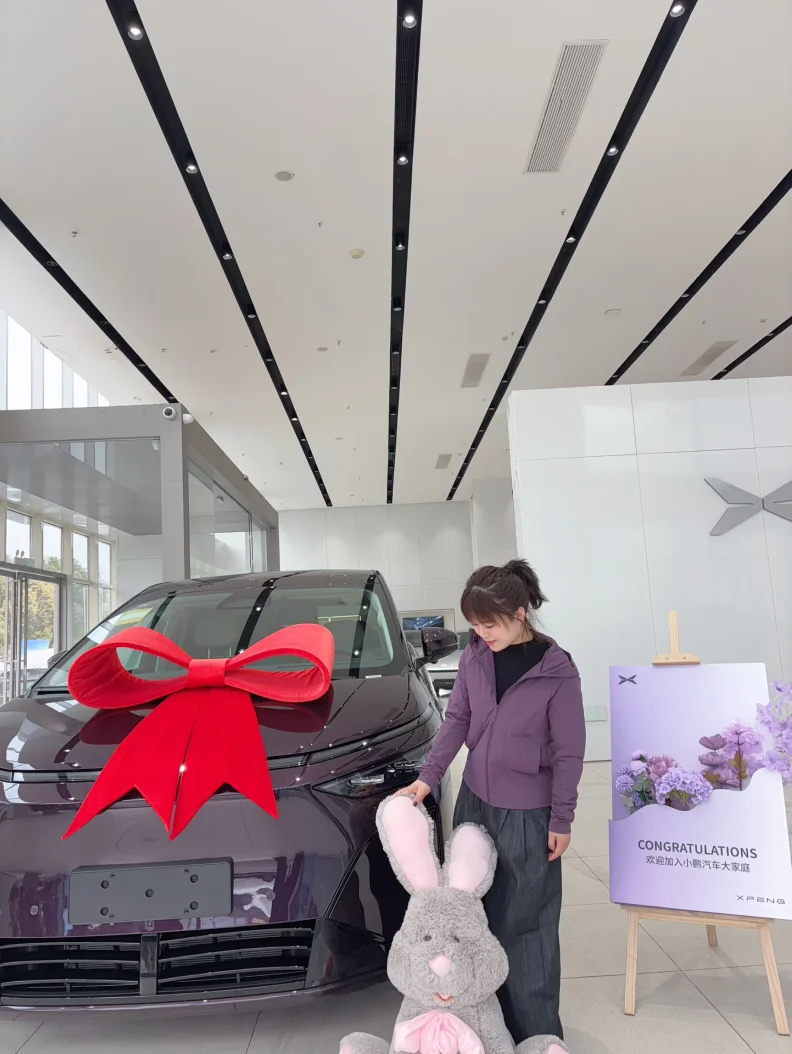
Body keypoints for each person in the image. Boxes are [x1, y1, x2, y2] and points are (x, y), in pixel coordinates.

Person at [397, 559, 585, 1044]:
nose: (481, 634)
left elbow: (569, 752)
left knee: (526, 925)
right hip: (475, 806)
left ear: (520, 613)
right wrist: (428, 777)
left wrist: (562, 817)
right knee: (469, 920)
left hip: (528, 815)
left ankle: (536, 1035)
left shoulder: (557, 672)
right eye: (475, 626)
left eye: (489, 624)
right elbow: (457, 720)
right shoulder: (475, 658)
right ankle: (474, 1031)